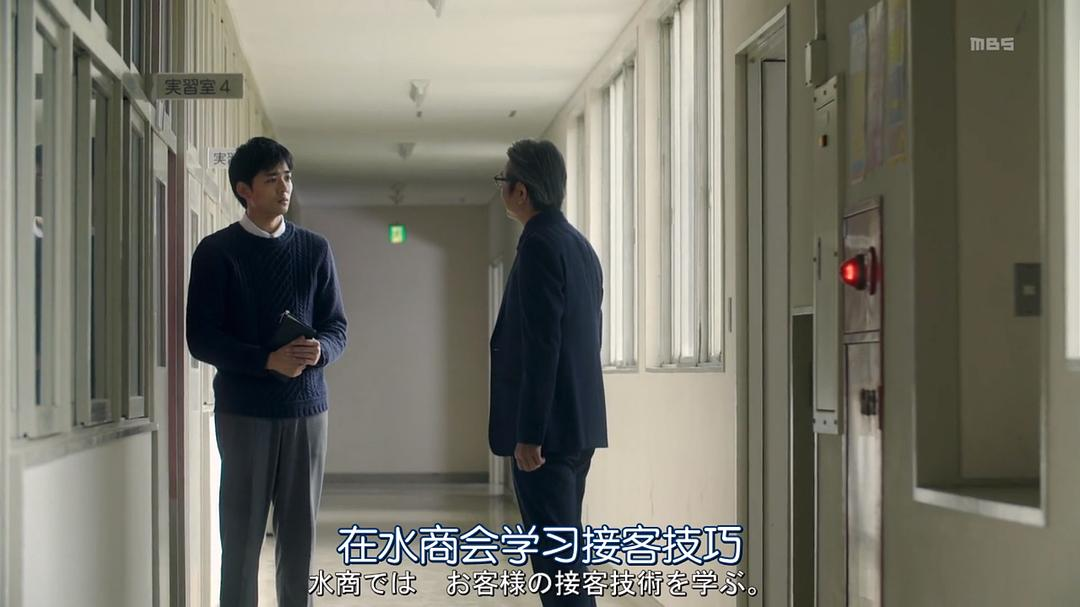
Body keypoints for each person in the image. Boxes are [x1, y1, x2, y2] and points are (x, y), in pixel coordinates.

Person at [186, 136, 348, 607]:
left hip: (307, 412)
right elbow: (202, 338)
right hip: (244, 413)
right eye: (272, 179)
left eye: (288, 177)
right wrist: (266, 359)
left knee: (299, 539)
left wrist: (320, 350)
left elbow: (337, 326)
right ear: (245, 190)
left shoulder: (315, 250)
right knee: (240, 538)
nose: (284, 187)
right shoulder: (216, 252)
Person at [489, 138, 608, 607]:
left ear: (521, 191)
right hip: (577, 428)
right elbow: (586, 339)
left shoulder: (539, 245)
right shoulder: (580, 247)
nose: (501, 188)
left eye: (503, 180)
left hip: (548, 439)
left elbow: (543, 346)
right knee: (567, 558)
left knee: (558, 569)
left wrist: (530, 434)